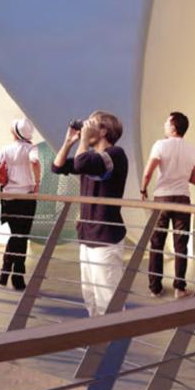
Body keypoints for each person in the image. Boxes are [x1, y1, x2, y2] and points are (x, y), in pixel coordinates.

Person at [52, 112, 131, 316]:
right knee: (90, 296)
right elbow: (57, 166)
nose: (86, 126)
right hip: (87, 236)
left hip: (105, 237)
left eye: (92, 123)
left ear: (103, 131)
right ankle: (97, 334)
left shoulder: (116, 154)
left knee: (108, 298)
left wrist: (84, 141)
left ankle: (115, 334)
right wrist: (69, 142)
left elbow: (82, 164)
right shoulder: (90, 158)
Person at [139, 111, 195, 297]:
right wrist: (181, 174)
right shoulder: (193, 149)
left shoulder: (160, 145)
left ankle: (155, 288)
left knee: (157, 243)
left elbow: (148, 173)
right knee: (181, 244)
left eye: (167, 123)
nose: (164, 125)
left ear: (174, 127)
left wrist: (143, 190)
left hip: (162, 199)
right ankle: (179, 288)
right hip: (182, 199)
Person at [0, 120, 39, 289]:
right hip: (26, 197)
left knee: (16, 234)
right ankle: (17, 276)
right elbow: (34, 162)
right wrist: (37, 183)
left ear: (15, 132)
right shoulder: (31, 148)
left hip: (8, 197)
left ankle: (6, 269)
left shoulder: (5, 149)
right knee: (22, 236)